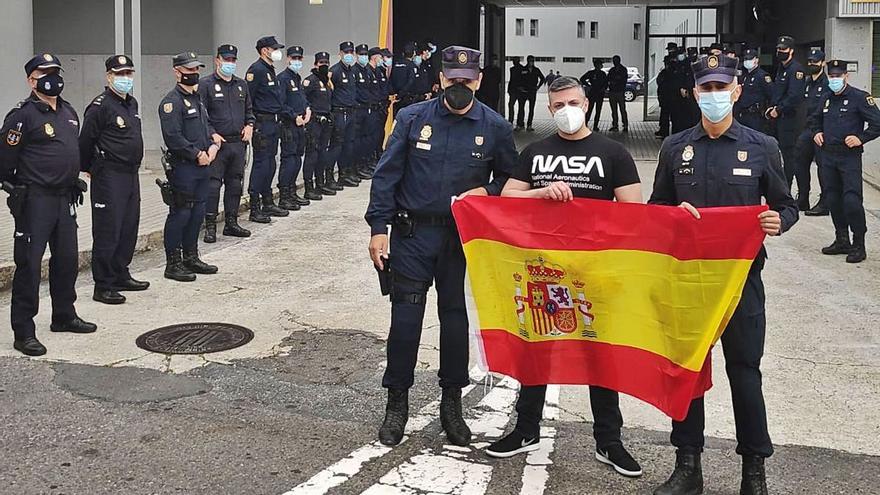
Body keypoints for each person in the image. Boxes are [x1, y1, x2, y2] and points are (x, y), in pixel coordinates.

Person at [649, 54, 798, 495]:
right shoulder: (675, 147)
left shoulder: (761, 146)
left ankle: (754, 471)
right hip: (689, 280)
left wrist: (779, 220)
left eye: (721, 88)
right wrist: (673, 215)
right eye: (706, 89)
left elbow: (786, 204)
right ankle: (687, 466)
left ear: (736, 91)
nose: (714, 96)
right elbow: (657, 207)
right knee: (688, 372)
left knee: (745, 373)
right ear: (695, 93)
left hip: (741, 282)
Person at [486, 76, 643, 479]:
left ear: (587, 104)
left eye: (573, 102)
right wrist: (539, 194)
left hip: (595, 272)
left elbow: (635, 212)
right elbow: (506, 198)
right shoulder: (536, 152)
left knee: (600, 356)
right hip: (542, 269)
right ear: (550, 109)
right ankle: (525, 429)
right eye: (558, 105)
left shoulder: (613, 153)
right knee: (536, 349)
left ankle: (609, 440)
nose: (566, 110)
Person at [366, 45, 517, 448]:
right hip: (412, 235)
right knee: (405, 322)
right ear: (441, 79)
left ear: (479, 81)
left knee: (454, 322)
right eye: (453, 80)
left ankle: (452, 405)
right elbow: (386, 176)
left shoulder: (495, 126)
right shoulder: (413, 119)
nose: (460, 87)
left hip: (459, 240)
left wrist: (485, 190)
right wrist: (378, 228)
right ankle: (396, 403)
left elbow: (511, 180)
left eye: (467, 81)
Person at [0, 53, 97, 356]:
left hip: (64, 198)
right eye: (45, 73)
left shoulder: (68, 112)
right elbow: (5, 161)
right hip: (35, 201)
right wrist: (15, 189)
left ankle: (64, 315)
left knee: (67, 260)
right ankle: (24, 331)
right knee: (29, 265)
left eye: (55, 71)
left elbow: (71, 151)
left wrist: (74, 178)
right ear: (32, 80)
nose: (52, 77)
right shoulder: (22, 115)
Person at [79, 55, 149, 305]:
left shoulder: (132, 104)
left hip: (131, 173)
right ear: (109, 76)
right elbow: (85, 141)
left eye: (129, 73)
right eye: (120, 74)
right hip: (109, 174)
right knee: (108, 229)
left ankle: (121, 273)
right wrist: (89, 168)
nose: (125, 78)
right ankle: (103, 284)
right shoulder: (100, 106)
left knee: (129, 226)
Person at [158, 52, 220, 282]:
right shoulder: (171, 102)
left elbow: (206, 126)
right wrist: (197, 154)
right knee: (181, 213)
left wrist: (213, 142)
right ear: (177, 72)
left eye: (196, 70)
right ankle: (173, 263)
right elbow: (173, 137)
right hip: (184, 167)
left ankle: (191, 256)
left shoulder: (198, 99)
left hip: (204, 165)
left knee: (197, 212)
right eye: (189, 70)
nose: (193, 74)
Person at [810, 60, 880, 264]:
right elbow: (814, 119)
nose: (834, 80)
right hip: (828, 155)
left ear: (846, 77)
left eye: (838, 76)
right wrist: (816, 132)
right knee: (833, 199)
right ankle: (842, 240)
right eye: (831, 76)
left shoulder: (859, 98)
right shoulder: (826, 98)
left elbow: (877, 123)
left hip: (849, 157)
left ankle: (859, 244)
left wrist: (861, 138)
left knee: (851, 201)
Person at [198, 44, 256, 242]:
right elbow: (202, 116)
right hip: (218, 145)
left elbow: (249, 110)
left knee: (235, 184)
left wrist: (249, 125)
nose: (229, 63)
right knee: (213, 186)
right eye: (226, 59)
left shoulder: (241, 85)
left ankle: (231, 222)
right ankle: (211, 226)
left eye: (232, 60)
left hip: (237, 144)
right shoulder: (205, 85)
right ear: (217, 60)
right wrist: (211, 134)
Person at [245, 35, 289, 222]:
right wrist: (252, 124)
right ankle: (255, 207)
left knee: (271, 163)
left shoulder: (270, 70)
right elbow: (249, 99)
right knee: (261, 164)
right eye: (274, 48)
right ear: (265, 50)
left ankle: (268, 201)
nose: (277, 52)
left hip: (274, 123)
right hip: (262, 124)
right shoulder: (256, 70)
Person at [791, 48, 830, 214]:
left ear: (823, 63)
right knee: (799, 162)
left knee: (823, 167)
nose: (812, 64)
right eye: (810, 61)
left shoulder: (827, 84)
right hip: (807, 129)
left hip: (822, 130)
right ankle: (803, 198)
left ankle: (825, 202)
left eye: (815, 61)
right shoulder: (807, 83)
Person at [766, 35, 807, 189]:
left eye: (783, 49)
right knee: (777, 154)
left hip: (789, 120)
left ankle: (787, 188)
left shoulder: (796, 70)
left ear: (791, 51)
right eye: (778, 49)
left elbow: (794, 96)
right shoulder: (781, 69)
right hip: (778, 119)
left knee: (789, 156)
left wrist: (779, 109)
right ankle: (779, 184)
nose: (780, 51)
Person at [277, 45, 312, 210]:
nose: (296, 61)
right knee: (289, 160)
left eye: (299, 58)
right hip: (289, 125)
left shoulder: (297, 78)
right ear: (287, 59)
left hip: (300, 124)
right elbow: (281, 103)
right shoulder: (283, 78)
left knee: (297, 158)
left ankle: (292, 192)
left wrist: (307, 109)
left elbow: (302, 98)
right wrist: (294, 116)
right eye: (293, 58)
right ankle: (284, 196)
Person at [302, 51, 336, 199]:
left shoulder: (327, 81)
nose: (324, 65)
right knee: (312, 154)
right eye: (321, 63)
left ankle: (320, 183)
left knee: (323, 153)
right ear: (315, 64)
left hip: (325, 121)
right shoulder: (310, 81)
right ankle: (309, 187)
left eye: (326, 63)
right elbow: (304, 100)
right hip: (314, 122)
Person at [327, 41, 361, 190]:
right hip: (339, 112)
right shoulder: (334, 71)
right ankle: (329, 176)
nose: (348, 55)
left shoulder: (352, 71)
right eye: (345, 52)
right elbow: (329, 92)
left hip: (351, 111)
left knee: (349, 144)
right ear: (340, 53)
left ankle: (345, 173)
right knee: (337, 145)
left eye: (350, 52)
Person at [353, 43, 377, 180]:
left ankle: (365, 163)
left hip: (368, 108)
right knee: (358, 140)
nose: (363, 56)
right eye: (361, 54)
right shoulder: (355, 71)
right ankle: (357, 167)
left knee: (367, 138)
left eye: (365, 54)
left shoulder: (367, 71)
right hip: (358, 109)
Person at [734, 48, 772, 133]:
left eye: (750, 59)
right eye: (746, 59)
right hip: (742, 114)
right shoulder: (743, 76)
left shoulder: (762, 76)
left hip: (755, 116)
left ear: (756, 60)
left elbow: (770, 94)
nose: (747, 61)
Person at [517, 55, 545, 131]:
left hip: (532, 91)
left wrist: (538, 87)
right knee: (521, 108)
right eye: (530, 61)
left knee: (531, 109)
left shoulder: (536, 70)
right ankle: (520, 124)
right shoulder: (523, 69)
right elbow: (518, 79)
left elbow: (543, 78)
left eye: (533, 61)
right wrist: (520, 87)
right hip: (524, 91)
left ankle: (529, 125)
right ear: (527, 61)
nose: (531, 62)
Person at [580, 59, 608, 131]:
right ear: (596, 65)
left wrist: (603, 88)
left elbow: (606, 83)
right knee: (589, 110)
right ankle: (585, 124)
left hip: (599, 93)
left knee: (598, 110)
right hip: (593, 93)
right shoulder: (591, 73)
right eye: (599, 64)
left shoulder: (603, 74)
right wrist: (588, 85)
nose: (600, 66)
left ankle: (595, 125)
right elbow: (582, 79)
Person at [607, 55, 629, 132]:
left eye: (615, 60)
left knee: (622, 109)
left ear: (619, 61)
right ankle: (615, 125)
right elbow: (608, 79)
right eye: (613, 61)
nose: (614, 62)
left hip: (620, 91)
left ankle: (625, 125)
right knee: (614, 110)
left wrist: (615, 81)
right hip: (612, 92)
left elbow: (624, 80)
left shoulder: (623, 69)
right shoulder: (612, 70)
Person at [657, 54, 676, 138]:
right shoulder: (664, 72)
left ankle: (667, 132)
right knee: (664, 116)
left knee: (673, 117)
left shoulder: (673, 72)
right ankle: (664, 131)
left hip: (671, 98)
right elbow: (659, 82)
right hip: (665, 98)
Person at [507, 56, 524, 125]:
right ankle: (519, 122)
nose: (513, 62)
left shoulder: (515, 69)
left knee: (513, 105)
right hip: (517, 90)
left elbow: (513, 80)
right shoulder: (515, 69)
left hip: (516, 90)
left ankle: (511, 120)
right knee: (520, 106)